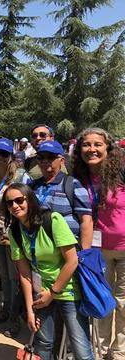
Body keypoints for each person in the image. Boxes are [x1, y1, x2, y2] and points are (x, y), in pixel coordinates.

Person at [4, 183, 94, 360]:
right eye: (9, 203)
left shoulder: (52, 220)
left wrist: (52, 293)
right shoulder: (14, 231)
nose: (15, 206)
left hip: (67, 291)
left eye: (19, 200)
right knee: (43, 344)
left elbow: (72, 261)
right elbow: (24, 273)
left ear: (30, 199)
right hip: (41, 294)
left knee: (80, 349)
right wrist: (30, 309)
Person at [72, 127, 125, 359]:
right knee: (99, 298)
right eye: (86, 144)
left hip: (124, 248)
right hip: (95, 249)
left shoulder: (122, 171)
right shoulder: (78, 175)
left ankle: (119, 351)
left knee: (123, 305)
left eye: (97, 144)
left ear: (108, 147)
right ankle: (99, 349)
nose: (91, 149)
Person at [0, 138, 31, 338]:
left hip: (13, 235)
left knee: (16, 278)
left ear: (11, 156)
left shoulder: (20, 176)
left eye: (4, 154)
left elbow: (27, 205)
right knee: (4, 276)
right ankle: (7, 309)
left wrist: (14, 234)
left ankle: (15, 318)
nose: (0, 158)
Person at [31, 140, 93, 247]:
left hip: (68, 249)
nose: (45, 161)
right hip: (40, 247)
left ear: (62, 161)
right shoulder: (33, 186)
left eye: (50, 157)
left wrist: (84, 254)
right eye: (41, 157)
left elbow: (86, 221)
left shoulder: (72, 184)